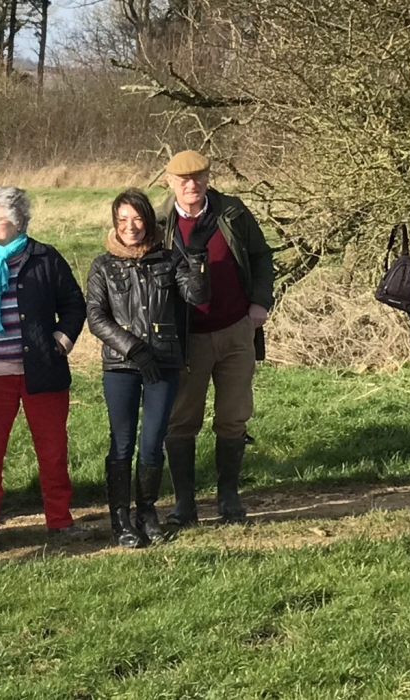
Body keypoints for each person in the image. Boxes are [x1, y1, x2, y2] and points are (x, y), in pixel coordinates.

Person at [0, 187, 88, 554]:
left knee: (53, 452)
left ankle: (59, 521)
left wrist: (61, 340)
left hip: (42, 373)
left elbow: (74, 305)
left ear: (18, 221)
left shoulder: (45, 257)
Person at [86, 189, 209, 547]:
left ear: (149, 221)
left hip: (164, 362)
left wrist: (196, 255)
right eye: (123, 220)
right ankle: (120, 518)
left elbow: (197, 296)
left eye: (138, 218)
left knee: (153, 441)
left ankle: (147, 512)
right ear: (114, 223)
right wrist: (133, 348)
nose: (131, 226)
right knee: (122, 442)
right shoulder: (103, 266)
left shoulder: (168, 260)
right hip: (121, 365)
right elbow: (96, 317)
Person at [159, 150, 274, 527]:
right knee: (181, 420)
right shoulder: (160, 222)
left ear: (209, 178)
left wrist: (260, 303)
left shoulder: (232, 212)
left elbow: (261, 257)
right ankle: (184, 504)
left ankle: (229, 498)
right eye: (183, 179)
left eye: (199, 177)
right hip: (187, 338)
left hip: (235, 330)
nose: (192, 185)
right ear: (170, 182)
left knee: (233, 416)